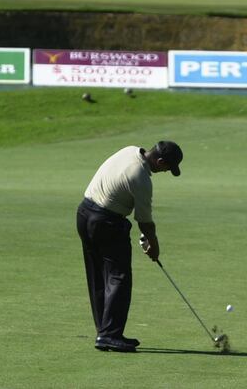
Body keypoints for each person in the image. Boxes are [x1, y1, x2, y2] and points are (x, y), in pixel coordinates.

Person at [76, 141, 184, 352]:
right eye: (167, 168)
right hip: (106, 222)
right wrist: (153, 244)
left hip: (84, 213)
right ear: (160, 161)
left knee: (98, 276)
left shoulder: (129, 151)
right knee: (119, 277)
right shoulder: (142, 178)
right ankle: (110, 334)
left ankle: (105, 332)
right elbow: (144, 221)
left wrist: (145, 237)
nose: (164, 172)